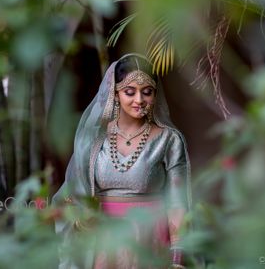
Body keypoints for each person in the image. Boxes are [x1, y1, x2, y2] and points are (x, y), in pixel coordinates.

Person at [52, 53, 192, 269]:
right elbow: (72, 194)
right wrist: (80, 217)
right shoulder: (93, 140)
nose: (139, 100)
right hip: (105, 243)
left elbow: (177, 202)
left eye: (147, 92)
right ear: (115, 93)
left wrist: (177, 258)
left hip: (151, 242)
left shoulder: (169, 139)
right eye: (130, 92)